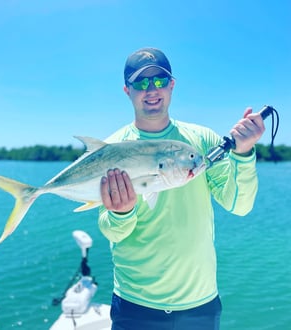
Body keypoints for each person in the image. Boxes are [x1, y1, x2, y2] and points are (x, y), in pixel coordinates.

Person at [98, 47, 265, 330]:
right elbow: (112, 231)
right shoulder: (112, 150)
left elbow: (239, 205)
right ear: (127, 90)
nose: (151, 90)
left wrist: (244, 154)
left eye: (160, 81)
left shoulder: (201, 141)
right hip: (136, 304)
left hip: (200, 305)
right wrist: (122, 213)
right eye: (141, 82)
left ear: (172, 85)